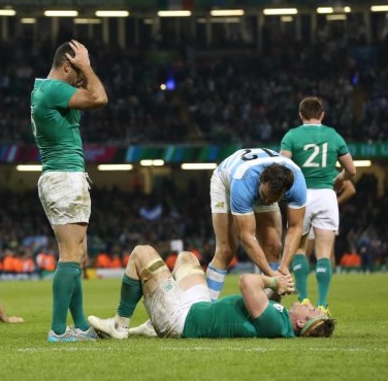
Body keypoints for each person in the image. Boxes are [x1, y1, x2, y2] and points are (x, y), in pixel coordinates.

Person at [30, 39, 108, 342]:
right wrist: (87, 68)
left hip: (59, 177)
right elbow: (99, 98)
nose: (81, 79)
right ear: (67, 66)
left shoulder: (43, 90)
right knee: (70, 254)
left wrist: (84, 68)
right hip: (64, 178)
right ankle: (59, 330)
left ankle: (81, 326)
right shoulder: (53, 89)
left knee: (79, 255)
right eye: (77, 72)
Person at [88, 246, 335, 340]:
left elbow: (247, 282)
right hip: (198, 308)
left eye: (310, 309)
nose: (309, 302)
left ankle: (119, 326)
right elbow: (263, 304)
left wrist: (273, 281)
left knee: (142, 253)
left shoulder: (276, 324)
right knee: (187, 257)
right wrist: (279, 287)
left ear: (301, 321)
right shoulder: (279, 320)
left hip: (182, 320)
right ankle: (153, 325)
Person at [280, 96, 356, 315]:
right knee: (324, 252)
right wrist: (340, 179)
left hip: (301, 195)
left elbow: (282, 166)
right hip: (326, 195)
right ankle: (322, 304)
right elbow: (351, 171)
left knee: (300, 248)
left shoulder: (292, 136)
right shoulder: (333, 135)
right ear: (322, 114)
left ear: (301, 115)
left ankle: (304, 301)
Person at [206, 148, 308, 301]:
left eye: (273, 199)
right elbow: (246, 236)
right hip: (227, 181)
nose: (266, 202)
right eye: (265, 196)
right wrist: (272, 276)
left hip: (258, 185)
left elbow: (295, 227)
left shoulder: (297, 182)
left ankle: (270, 311)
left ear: (284, 192)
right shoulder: (244, 182)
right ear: (262, 180)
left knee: (274, 247)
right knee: (226, 250)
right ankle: (206, 307)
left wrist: (284, 266)